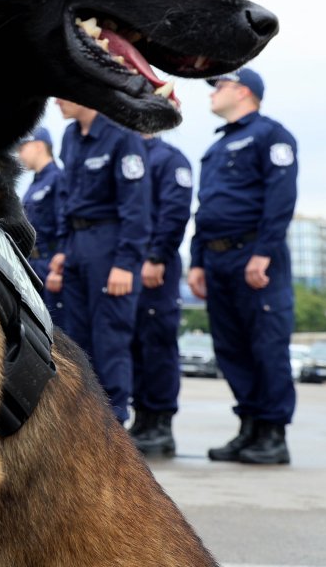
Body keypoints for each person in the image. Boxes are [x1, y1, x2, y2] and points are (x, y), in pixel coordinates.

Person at [187, 68, 297, 465]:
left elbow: (281, 197)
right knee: (230, 347)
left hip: (253, 254)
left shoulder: (271, 135)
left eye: (220, 86)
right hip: (217, 259)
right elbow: (207, 209)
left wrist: (264, 252)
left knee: (266, 343)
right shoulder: (216, 147)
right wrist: (197, 260)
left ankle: (272, 433)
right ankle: (249, 426)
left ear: (244, 92)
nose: (213, 93)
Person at [49, 99, 151, 424]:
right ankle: (83, 424)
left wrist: (126, 262)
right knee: (76, 338)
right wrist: (64, 249)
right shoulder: (70, 136)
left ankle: (113, 425)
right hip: (78, 245)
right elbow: (67, 197)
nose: (56, 99)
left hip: (110, 246)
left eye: (63, 94)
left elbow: (136, 206)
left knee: (110, 336)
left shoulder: (122, 136)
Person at [129, 133, 192, 456]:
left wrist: (157, 257)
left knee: (157, 344)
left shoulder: (168, 158)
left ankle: (160, 425)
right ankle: (142, 419)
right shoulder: (128, 153)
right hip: (128, 261)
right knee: (135, 344)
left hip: (156, 266)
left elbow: (175, 212)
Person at [17, 126, 65, 327]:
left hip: (51, 264)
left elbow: (65, 222)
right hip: (32, 264)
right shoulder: (34, 184)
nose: (18, 155)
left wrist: (59, 267)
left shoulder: (58, 179)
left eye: (22, 148)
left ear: (38, 146)